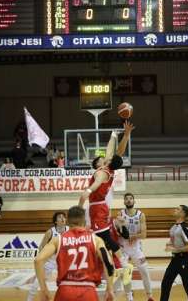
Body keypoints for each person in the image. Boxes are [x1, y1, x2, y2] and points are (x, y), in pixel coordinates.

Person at [78, 121, 134, 285]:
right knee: (100, 238)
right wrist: (116, 135)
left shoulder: (102, 172)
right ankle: (113, 265)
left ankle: (120, 263)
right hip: (99, 206)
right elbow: (114, 151)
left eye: (104, 158)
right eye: (102, 158)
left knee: (102, 238)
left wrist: (86, 193)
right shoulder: (108, 167)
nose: (104, 157)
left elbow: (95, 185)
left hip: (98, 207)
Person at [34, 206, 115, 301]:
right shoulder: (96, 240)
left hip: (65, 291)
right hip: (88, 290)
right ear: (84, 221)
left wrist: (44, 290)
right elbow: (109, 263)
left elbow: (38, 260)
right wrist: (110, 289)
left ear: (68, 221)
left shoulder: (58, 240)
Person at [118, 193, 154, 301]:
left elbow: (144, 235)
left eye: (130, 199)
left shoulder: (140, 215)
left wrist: (132, 236)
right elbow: (118, 232)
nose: (128, 200)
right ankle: (129, 297)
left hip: (136, 249)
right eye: (126, 199)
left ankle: (149, 296)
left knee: (145, 271)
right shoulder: (120, 214)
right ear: (124, 202)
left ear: (134, 201)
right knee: (125, 273)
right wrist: (124, 234)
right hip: (123, 248)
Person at [26, 211, 69, 301]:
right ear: (56, 221)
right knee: (38, 281)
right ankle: (29, 299)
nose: (62, 218)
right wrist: (42, 260)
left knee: (70, 282)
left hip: (64, 260)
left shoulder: (69, 229)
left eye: (64, 217)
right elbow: (41, 247)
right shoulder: (50, 232)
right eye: (60, 217)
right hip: (51, 260)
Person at [160, 205, 188, 301]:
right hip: (174, 260)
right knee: (165, 284)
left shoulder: (185, 227)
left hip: (183, 260)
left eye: (177, 209)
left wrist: (177, 250)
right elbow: (174, 241)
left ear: (182, 213)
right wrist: (169, 244)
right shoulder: (174, 227)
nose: (175, 210)